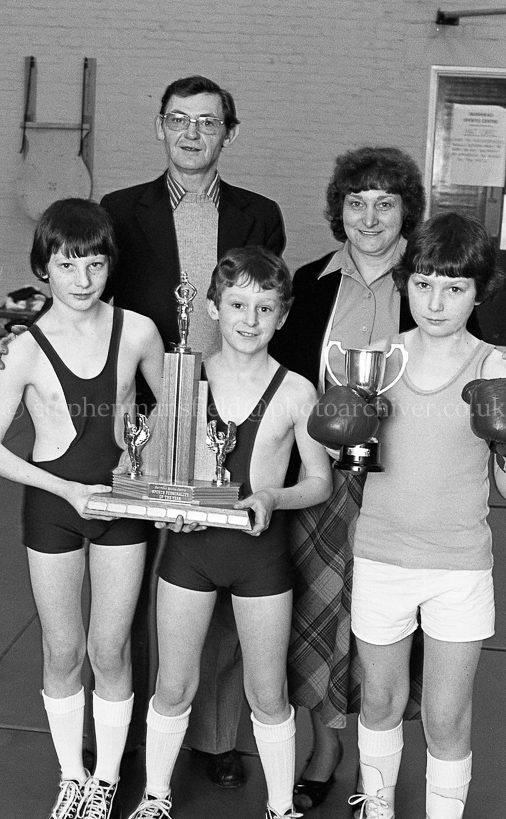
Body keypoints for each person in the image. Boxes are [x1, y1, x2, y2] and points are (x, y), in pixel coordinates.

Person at [99, 74, 286, 786]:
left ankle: (211, 738)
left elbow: (264, 309)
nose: (192, 133)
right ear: (159, 127)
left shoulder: (259, 213)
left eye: (208, 122)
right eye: (178, 120)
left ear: (229, 133)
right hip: (145, 413)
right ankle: (128, 740)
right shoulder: (119, 210)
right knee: (133, 583)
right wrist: (119, 399)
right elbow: (107, 317)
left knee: (218, 576)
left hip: (228, 416)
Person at [125, 246, 332, 819]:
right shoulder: (183, 381)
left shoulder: (296, 392)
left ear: (283, 316)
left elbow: (319, 481)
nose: (249, 319)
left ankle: (279, 805)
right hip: (190, 552)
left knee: (267, 694)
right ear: (213, 308)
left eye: (265, 308)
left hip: (261, 556)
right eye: (237, 304)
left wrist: (272, 496)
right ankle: (155, 796)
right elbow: (164, 473)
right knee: (174, 685)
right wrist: (169, 507)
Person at [269, 146, 428, 810]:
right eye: (356, 202)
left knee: (380, 626)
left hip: (401, 486)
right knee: (312, 615)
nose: (370, 216)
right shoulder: (306, 284)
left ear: (406, 212)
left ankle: (375, 757)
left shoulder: (430, 282)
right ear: (338, 210)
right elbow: (279, 386)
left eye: (385, 202)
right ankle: (325, 744)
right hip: (317, 481)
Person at [0, 199, 164, 819]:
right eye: (68, 265)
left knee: (111, 649)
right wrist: (67, 491)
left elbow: (173, 416)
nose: (83, 280)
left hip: (122, 505)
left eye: (95, 264)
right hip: (54, 507)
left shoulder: (141, 331)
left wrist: (145, 465)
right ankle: (72, 776)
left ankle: (107, 777)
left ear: (109, 266)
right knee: (63, 650)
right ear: (44, 267)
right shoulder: (25, 348)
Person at [339, 211, 506, 819]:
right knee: (380, 701)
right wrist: (344, 437)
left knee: (446, 714)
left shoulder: (496, 365)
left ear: (478, 290)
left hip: (459, 564)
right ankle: (376, 809)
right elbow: (352, 463)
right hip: (382, 554)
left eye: (454, 288)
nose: (435, 303)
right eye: (424, 283)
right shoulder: (377, 360)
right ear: (406, 282)